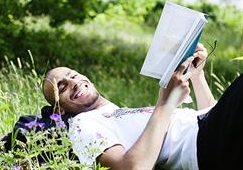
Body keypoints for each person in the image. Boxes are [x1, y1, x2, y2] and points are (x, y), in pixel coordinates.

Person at [42, 43, 242, 170]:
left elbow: (209, 113)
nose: (73, 82)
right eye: (62, 86)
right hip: (205, 145)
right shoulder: (82, 124)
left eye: (74, 75)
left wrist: (197, 75)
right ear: (60, 109)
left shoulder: (118, 114)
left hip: (212, 130)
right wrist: (166, 103)